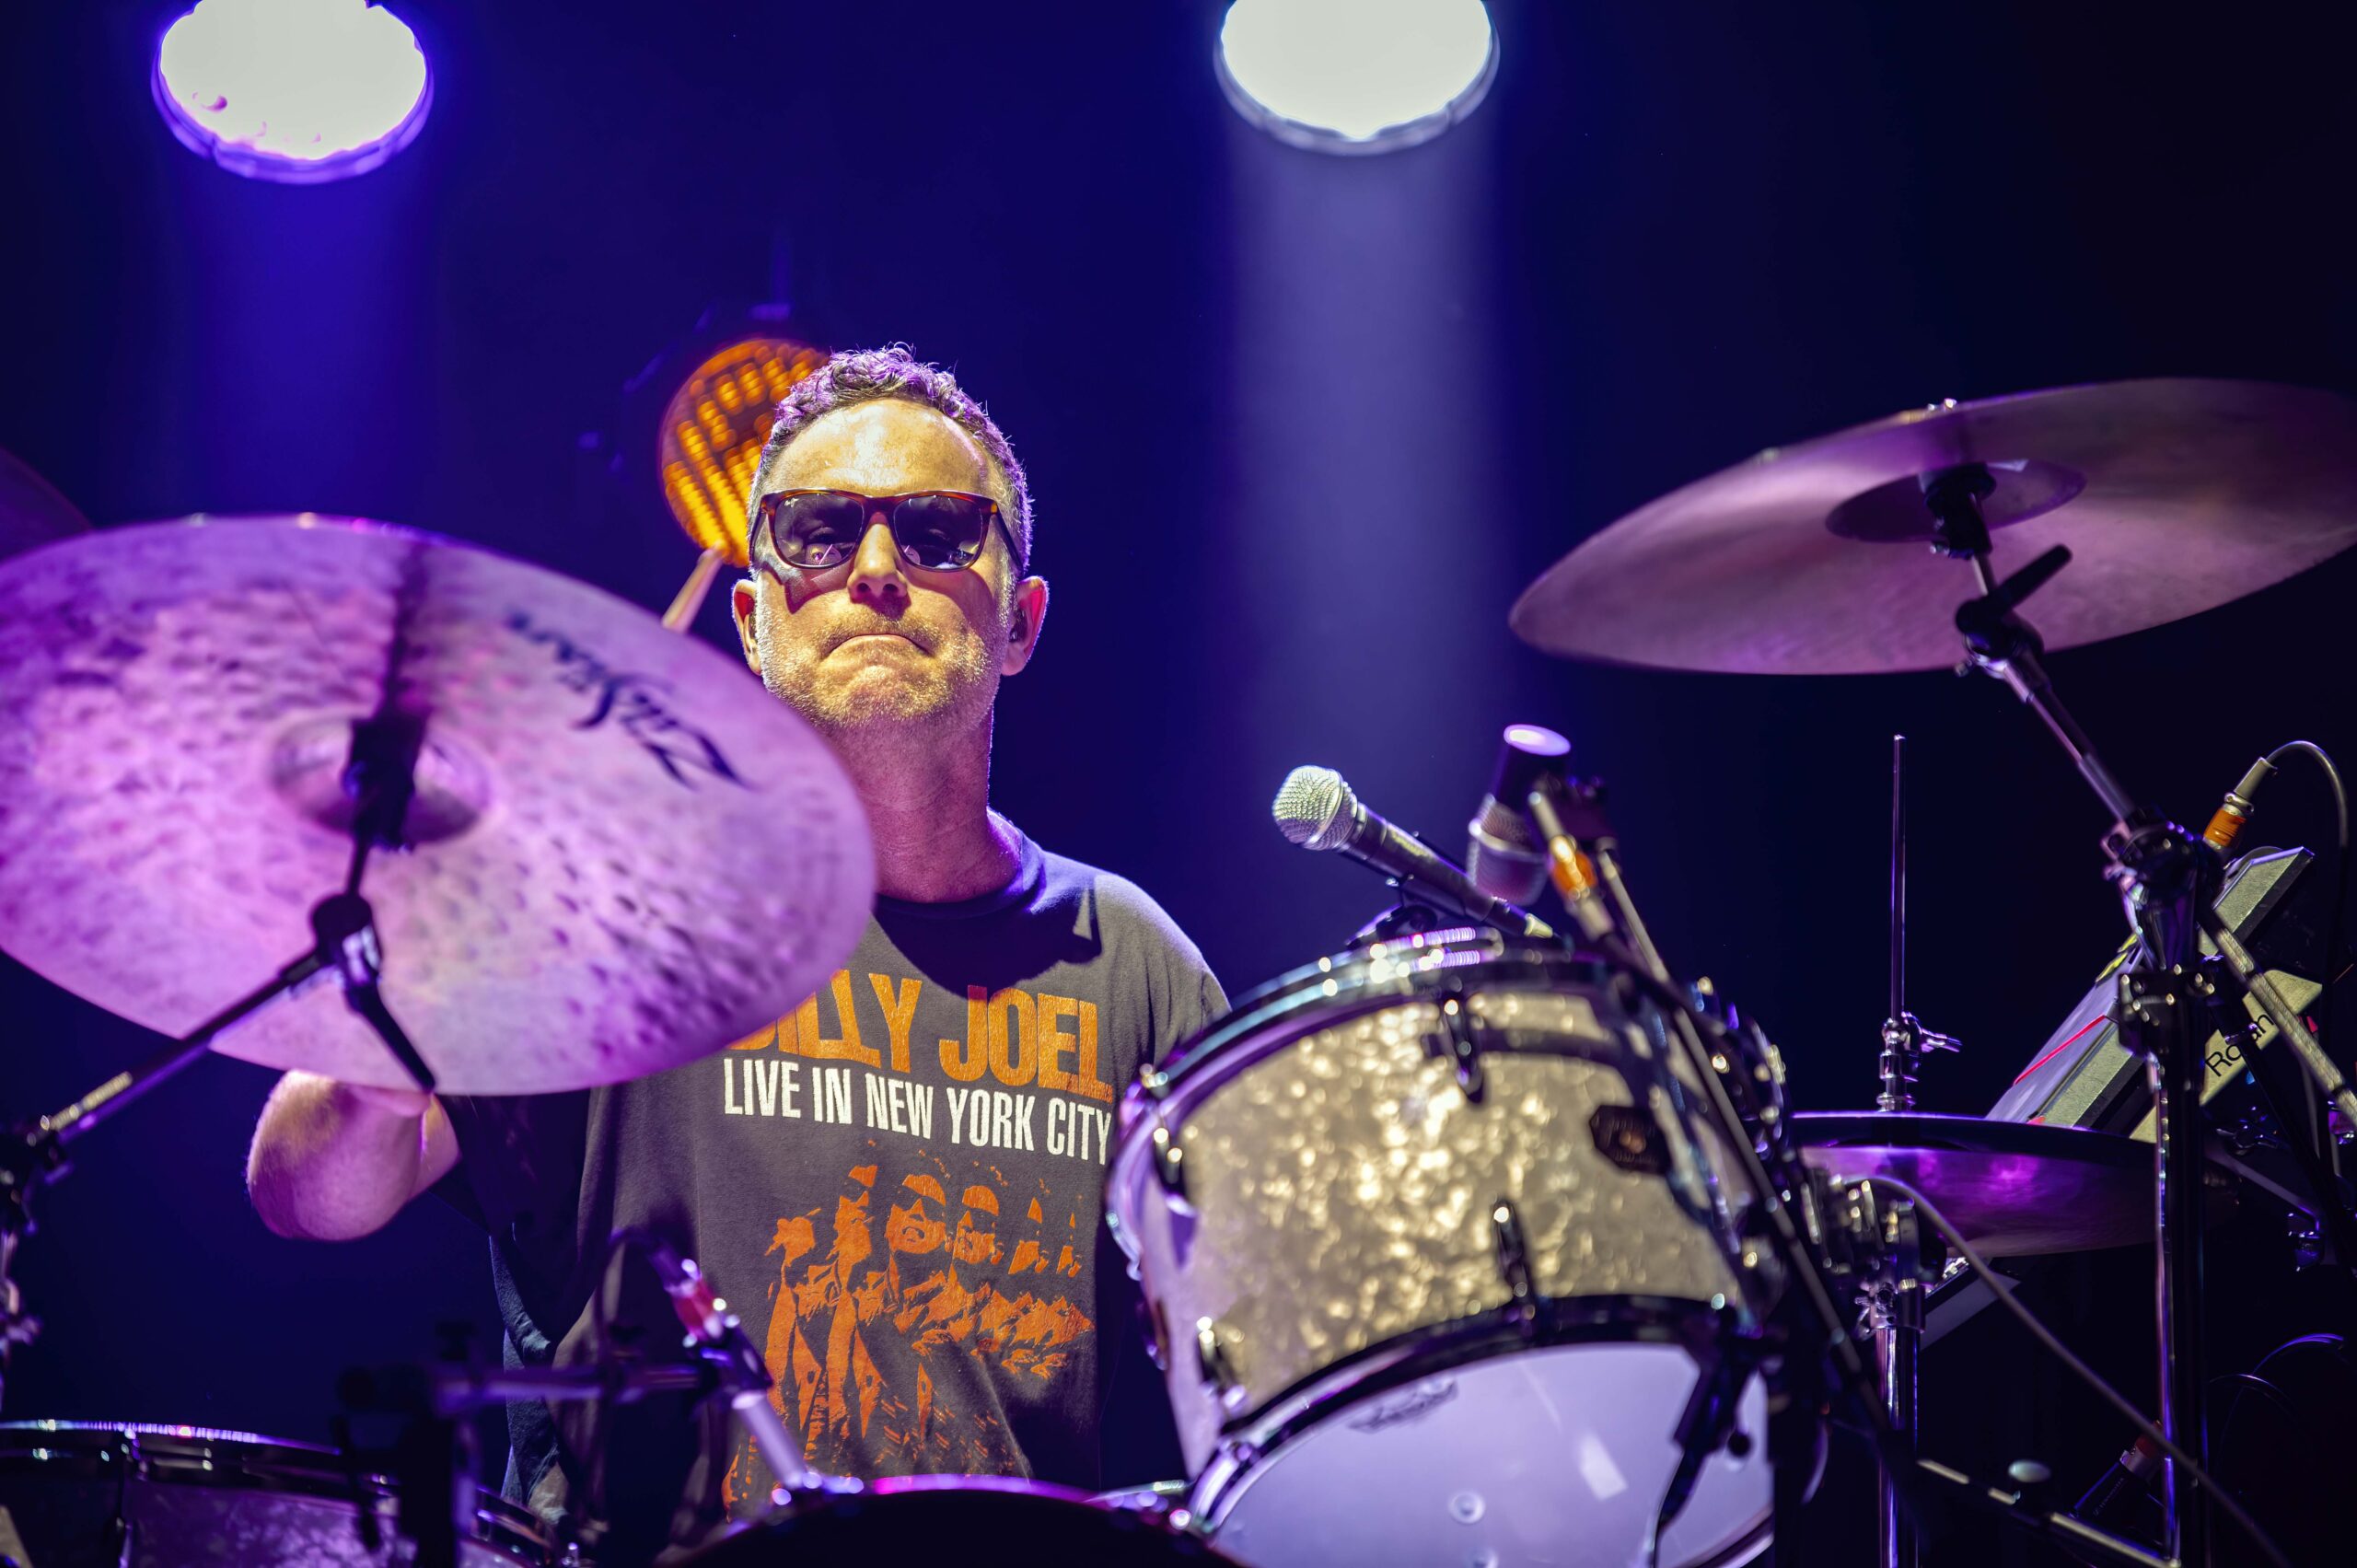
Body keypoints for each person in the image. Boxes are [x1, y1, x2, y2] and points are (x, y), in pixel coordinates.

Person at [245, 346, 1224, 1554]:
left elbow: (1267, 1349)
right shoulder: (609, 900)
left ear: (1019, 623)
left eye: (937, 532)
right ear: (754, 622)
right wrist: (394, 1040)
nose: (876, 570)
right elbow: (305, 1191)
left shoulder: (1131, 963)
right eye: (819, 532)